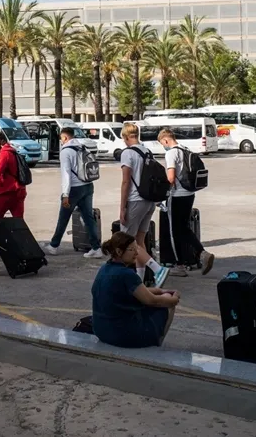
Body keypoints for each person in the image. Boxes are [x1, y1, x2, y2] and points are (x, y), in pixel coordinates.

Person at [91, 231, 180, 348]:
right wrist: (174, 300)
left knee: (163, 296)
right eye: (132, 250)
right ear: (119, 251)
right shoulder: (126, 274)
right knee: (167, 302)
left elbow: (139, 291)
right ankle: (155, 343)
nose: (137, 253)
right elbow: (151, 300)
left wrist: (160, 291)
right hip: (122, 335)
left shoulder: (104, 268)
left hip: (101, 331)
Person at [158, 128, 215, 277]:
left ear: (165, 140)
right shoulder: (185, 149)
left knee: (174, 232)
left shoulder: (171, 153)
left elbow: (171, 177)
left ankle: (180, 265)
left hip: (177, 195)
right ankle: (202, 253)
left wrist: (163, 193)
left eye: (161, 143)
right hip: (190, 193)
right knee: (184, 228)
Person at [118, 123, 168, 287]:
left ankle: (157, 269)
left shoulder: (127, 153)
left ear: (126, 137)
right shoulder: (147, 151)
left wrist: (122, 207)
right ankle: (140, 279)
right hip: (149, 200)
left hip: (135, 200)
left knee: (126, 241)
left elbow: (126, 181)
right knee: (140, 241)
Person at [44, 126, 102, 258]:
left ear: (64, 137)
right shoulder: (82, 147)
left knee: (63, 217)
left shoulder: (66, 151)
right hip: (88, 185)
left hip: (74, 189)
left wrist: (65, 194)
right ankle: (96, 248)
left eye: (61, 139)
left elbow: (66, 174)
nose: (61, 141)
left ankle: (54, 246)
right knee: (88, 218)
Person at [0, 130, 26, 219]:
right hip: (18, 190)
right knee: (19, 222)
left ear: (3, 141)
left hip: (6, 192)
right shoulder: (12, 151)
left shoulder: (4, 153)